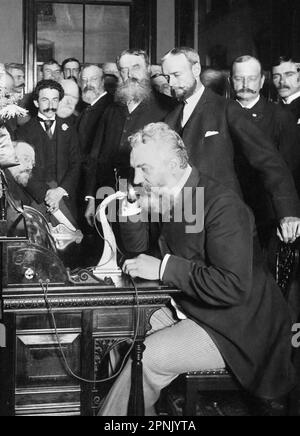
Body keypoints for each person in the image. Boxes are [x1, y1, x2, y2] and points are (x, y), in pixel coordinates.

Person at [99, 122, 295, 416]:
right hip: (193, 306)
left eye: (144, 169)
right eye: (134, 169)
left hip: (235, 327)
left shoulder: (222, 205)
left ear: (175, 164)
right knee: (116, 334)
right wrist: (130, 207)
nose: (137, 178)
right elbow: (137, 246)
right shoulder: (170, 193)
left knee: (146, 358)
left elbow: (232, 285)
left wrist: (164, 268)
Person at [162, 47, 300, 244]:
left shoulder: (227, 109)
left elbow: (269, 160)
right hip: (185, 223)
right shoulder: (170, 118)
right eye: (167, 76)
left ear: (196, 70)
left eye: (176, 75)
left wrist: (288, 212)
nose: (171, 83)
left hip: (223, 222)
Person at [84, 49, 173, 226]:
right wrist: (91, 198)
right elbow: (95, 157)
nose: (129, 74)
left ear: (148, 68)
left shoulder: (168, 108)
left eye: (136, 67)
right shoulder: (110, 110)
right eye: (123, 70)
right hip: (109, 195)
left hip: (149, 199)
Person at [231, 55, 300, 245]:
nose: (245, 84)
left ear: (262, 81)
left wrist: (286, 212)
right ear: (231, 80)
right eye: (239, 78)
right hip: (229, 209)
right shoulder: (219, 113)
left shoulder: (280, 117)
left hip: (267, 214)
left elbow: (288, 169)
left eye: (252, 78)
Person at [15, 79, 81, 219]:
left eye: (55, 100)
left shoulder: (70, 129)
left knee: (70, 239)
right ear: (36, 102)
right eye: (45, 100)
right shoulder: (23, 132)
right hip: (35, 200)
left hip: (65, 199)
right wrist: (46, 194)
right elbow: (21, 170)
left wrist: (60, 191)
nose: (50, 106)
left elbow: (76, 164)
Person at [77, 64, 113, 158]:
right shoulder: (85, 108)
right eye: (84, 80)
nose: (88, 84)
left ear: (102, 81)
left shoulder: (111, 108)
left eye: (94, 79)